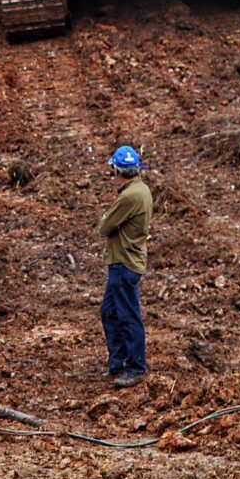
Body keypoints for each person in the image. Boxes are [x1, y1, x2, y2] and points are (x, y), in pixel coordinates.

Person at [96, 146, 153, 389]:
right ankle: (118, 362)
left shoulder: (129, 197)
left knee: (128, 315)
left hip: (124, 263)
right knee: (110, 311)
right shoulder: (141, 190)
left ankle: (135, 367)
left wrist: (106, 219)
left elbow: (104, 227)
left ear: (118, 171)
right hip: (126, 261)